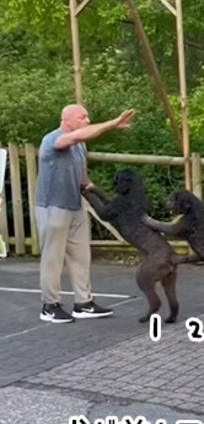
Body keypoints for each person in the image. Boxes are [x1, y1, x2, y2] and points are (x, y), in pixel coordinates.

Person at [35, 104, 135, 323]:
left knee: (81, 257)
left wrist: (92, 191)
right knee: (53, 258)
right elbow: (76, 136)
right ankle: (49, 306)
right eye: (83, 117)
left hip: (76, 206)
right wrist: (112, 124)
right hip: (53, 207)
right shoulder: (52, 139)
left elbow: (81, 173)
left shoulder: (80, 146)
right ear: (67, 119)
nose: (87, 120)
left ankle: (83, 303)